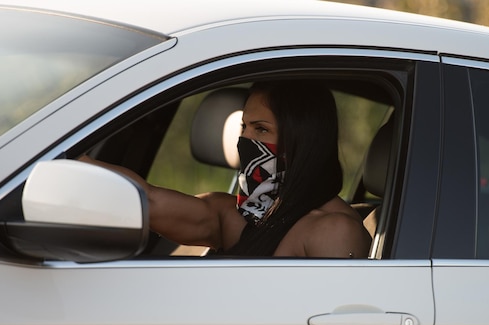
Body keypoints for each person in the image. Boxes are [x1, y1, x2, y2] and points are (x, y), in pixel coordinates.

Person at [82, 80, 371, 258]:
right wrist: (64, 159)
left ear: (303, 140)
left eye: (261, 129)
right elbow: (146, 200)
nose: (245, 140)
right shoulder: (237, 215)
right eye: (244, 126)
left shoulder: (333, 230)